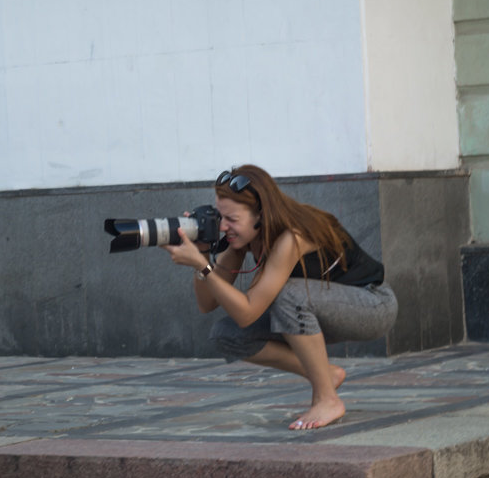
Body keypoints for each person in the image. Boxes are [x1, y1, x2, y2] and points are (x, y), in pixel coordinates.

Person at [164, 165, 398, 430]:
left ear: (260, 215)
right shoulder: (245, 238)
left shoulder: (291, 237)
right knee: (226, 333)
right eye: (220, 217)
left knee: (287, 295)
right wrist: (202, 256)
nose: (223, 227)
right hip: (320, 308)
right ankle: (326, 375)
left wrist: (202, 266)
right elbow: (206, 304)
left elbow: (249, 311)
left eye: (232, 219)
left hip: (373, 304)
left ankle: (328, 399)